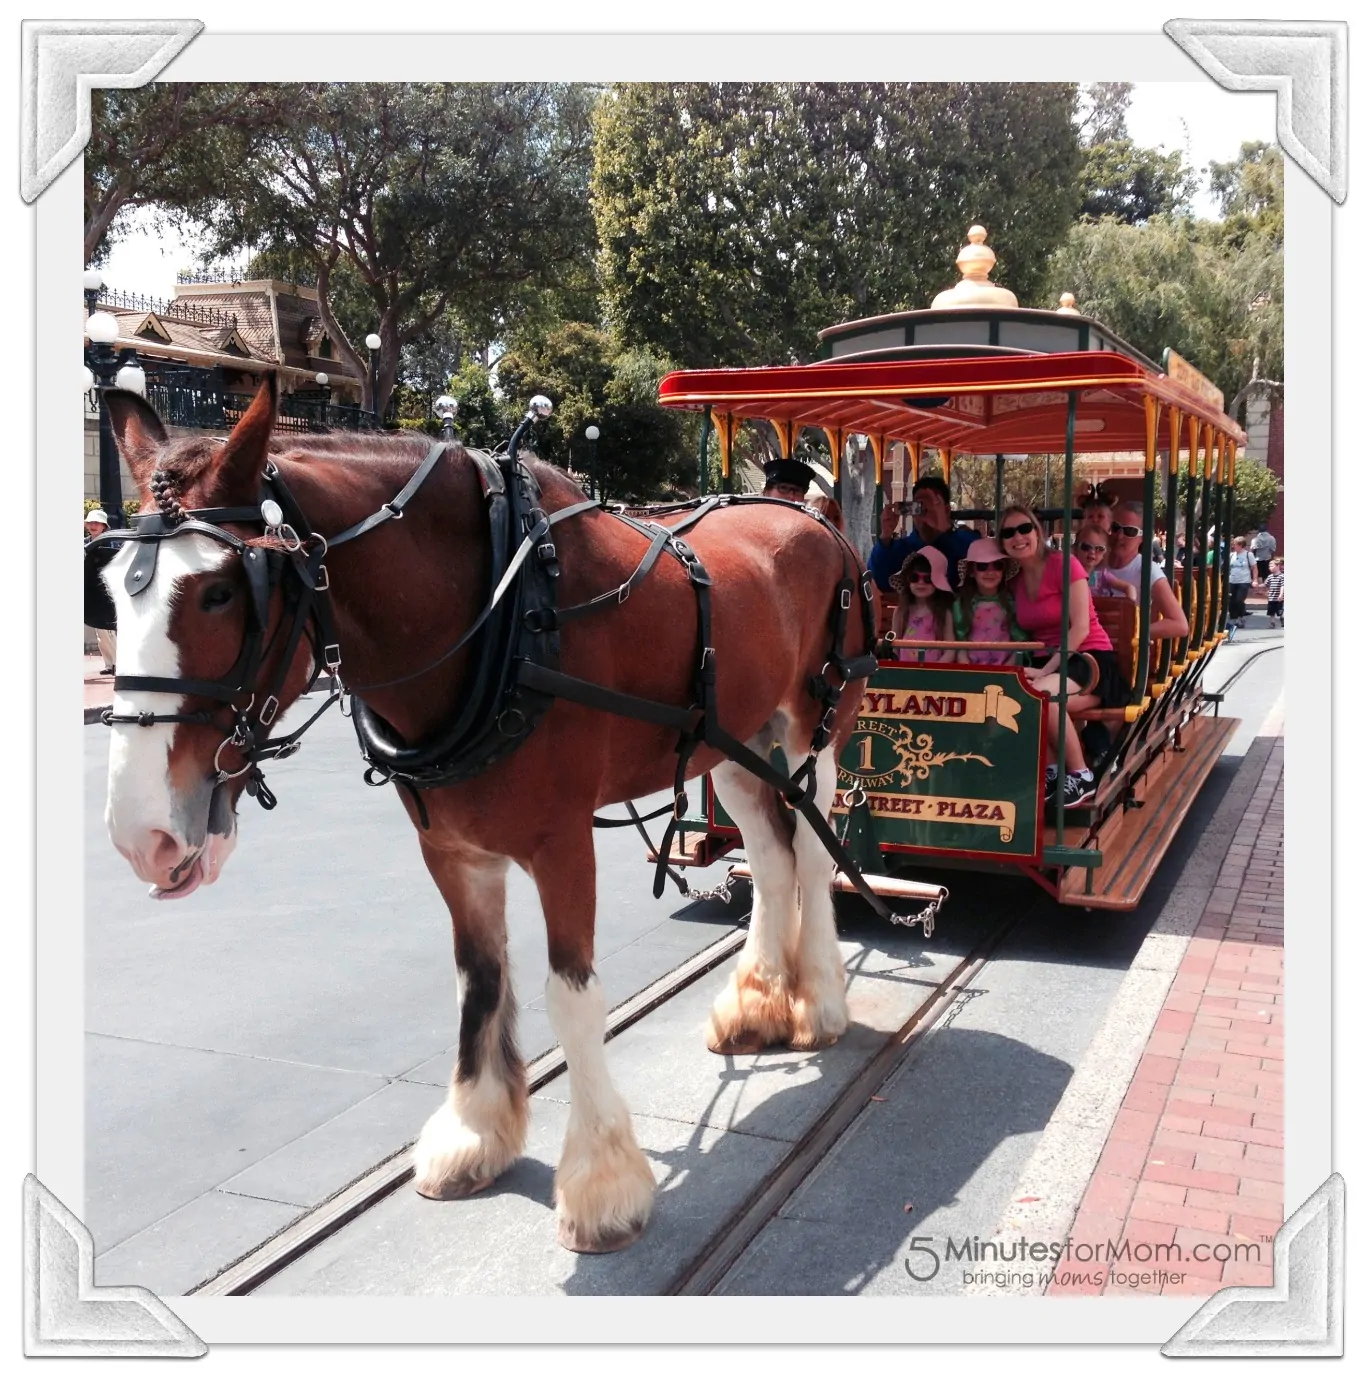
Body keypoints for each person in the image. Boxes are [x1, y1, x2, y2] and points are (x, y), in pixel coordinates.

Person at [1000, 506, 1128, 807]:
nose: (1017, 537)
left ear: (1037, 531)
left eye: (1024, 529)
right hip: (1050, 664)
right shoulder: (1015, 582)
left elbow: (1081, 627)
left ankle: (1081, 775)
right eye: (1008, 533)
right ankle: (1053, 771)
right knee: (1020, 697)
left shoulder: (1064, 564)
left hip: (1088, 659)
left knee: (1045, 696)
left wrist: (1045, 671)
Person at [871, 473, 976, 591]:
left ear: (946, 510)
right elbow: (876, 582)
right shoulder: (900, 549)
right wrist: (885, 536)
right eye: (919, 507)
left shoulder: (966, 543)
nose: (925, 514)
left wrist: (944, 530)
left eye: (931, 506)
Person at [1103, 502, 1190, 641]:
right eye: (1115, 528)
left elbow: (1179, 624)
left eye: (1129, 531)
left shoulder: (1147, 570)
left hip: (1124, 653)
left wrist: (1134, 632)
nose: (1119, 536)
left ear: (1143, 538)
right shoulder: (1092, 561)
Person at [952, 537, 1028, 666]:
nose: (990, 572)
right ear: (971, 571)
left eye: (997, 565)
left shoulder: (1012, 603)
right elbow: (959, 643)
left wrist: (1008, 668)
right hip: (972, 672)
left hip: (1006, 672)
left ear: (1004, 570)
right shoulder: (962, 604)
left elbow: (1020, 642)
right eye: (982, 566)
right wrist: (967, 668)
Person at [889, 548, 956, 663]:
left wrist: (936, 670)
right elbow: (894, 648)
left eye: (928, 579)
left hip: (935, 675)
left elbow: (950, 650)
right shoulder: (901, 612)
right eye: (914, 578)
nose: (921, 583)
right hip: (905, 674)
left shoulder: (944, 613)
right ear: (907, 580)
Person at [83, 507, 118, 673]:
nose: (93, 525)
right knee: (99, 631)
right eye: (90, 522)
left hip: (107, 591)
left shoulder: (112, 543)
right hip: (90, 590)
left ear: (104, 526)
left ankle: (118, 663)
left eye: (97, 522)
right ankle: (109, 664)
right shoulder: (84, 544)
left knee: (109, 630)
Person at [1074, 523, 1136, 601]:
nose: (1092, 552)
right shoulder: (1070, 575)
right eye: (1086, 547)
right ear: (1075, 549)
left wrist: (1129, 605)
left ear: (1104, 553)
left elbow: (1129, 587)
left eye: (1099, 549)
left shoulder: (1103, 575)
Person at [1227, 534, 1257, 628]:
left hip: (1244, 581)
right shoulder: (1231, 555)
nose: (1233, 546)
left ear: (1240, 545)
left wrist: (1255, 580)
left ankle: (1240, 617)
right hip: (1232, 580)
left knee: (1239, 600)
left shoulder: (1248, 555)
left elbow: (1254, 568)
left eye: (1235, 544)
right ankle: (1233, 618)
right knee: (1231, 601)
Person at [1264, 558, 1284, 626]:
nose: (1270, 568)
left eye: (1272, 566)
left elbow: (1283, 586)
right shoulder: (1270, 576)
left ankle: (1282, 618)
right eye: (1269, 566)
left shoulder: (1282, 576)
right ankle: (1272, 623)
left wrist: (1281, 595)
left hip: (1279, 598)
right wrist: (1257, 585)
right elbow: (1265, 584)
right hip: (1271, 597)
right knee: (1271, 611)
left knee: (1280, 610)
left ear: (1278, 566)